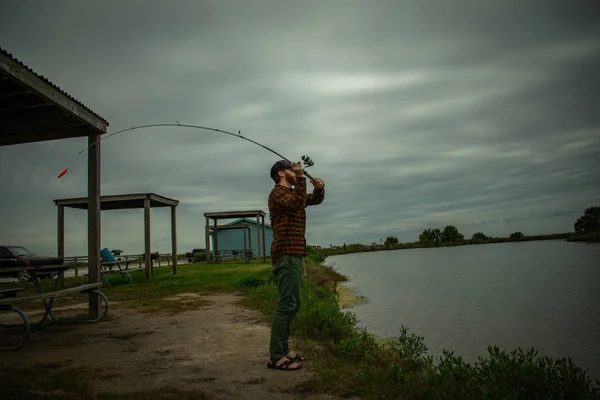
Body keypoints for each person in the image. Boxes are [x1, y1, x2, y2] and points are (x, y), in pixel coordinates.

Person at [266, 159, 325, 371]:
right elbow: (296, 203)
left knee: (294, 305)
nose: (296, 170)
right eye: (292, 169)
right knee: (287, 304)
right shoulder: (278, 194)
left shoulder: (292, 193)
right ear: (282, 174)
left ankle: (283, 348)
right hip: (286, 253)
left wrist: (319, 189)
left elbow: (311, 200)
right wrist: (301, 178)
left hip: (295, 254)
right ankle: (275, 356)